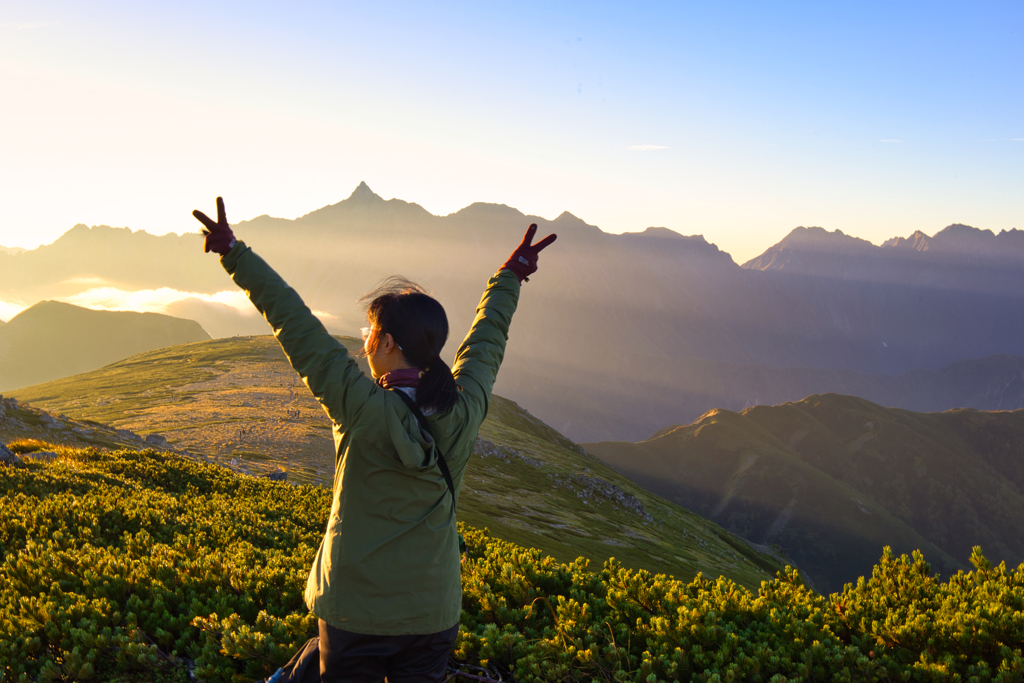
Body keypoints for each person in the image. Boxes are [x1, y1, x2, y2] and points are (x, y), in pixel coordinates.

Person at [192, 197, 556, 683]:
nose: (365, 340)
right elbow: (487, 340)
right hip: (433, 612)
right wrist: (510, 275)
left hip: (354, 613)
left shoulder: (359, 407)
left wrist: (234, 253)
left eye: (371, 330)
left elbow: (296, 324)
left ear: (386, 344)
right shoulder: (464, 407)